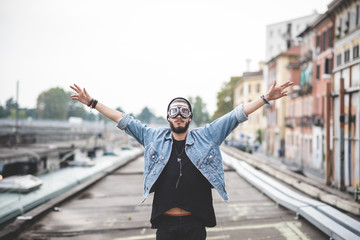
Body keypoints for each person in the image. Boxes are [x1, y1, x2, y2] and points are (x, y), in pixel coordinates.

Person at [70, 80, 293, 240]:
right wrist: (92, 103)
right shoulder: (152, 137)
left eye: (184, 111)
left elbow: (236, 115)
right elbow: (123, 120)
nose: (179, 115)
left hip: (195, 223)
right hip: (165, 225)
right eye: (174, 111)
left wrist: (265, 99)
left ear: (190, 117)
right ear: (168, 117)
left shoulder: (207, 136)